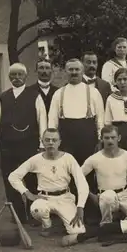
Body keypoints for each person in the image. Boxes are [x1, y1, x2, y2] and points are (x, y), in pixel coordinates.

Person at [0, 63, 47, 224]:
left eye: (20, 74)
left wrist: (43, 144)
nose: (16, 78)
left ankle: (34, 213)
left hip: (29, 146)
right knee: (10, 180)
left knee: (32, 180)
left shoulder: (35, 95)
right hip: (8, 146)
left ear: (26, 77)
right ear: (9, 77)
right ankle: (17, 215)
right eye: (13, 75)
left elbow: (42, 120)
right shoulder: (3, 97)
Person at [48, 58, 105, 222]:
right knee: (68, 175)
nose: (74, 73)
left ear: (82, 71)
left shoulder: (93, 93)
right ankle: (69, 212)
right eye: (70, 70)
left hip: (87, 138)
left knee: (87, 174)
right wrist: (53, 142)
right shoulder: (59, 93)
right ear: (66, 72)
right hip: (66, 139)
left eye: (77, 70)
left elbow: (100, 119)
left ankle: (90, 213)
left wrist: (100, 139)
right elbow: (52, 120)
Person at [8, 128, 88, 238]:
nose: (51, 143)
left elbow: (82, 183)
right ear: (42, 141)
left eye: (54, 140)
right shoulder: (36, 159)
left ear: (59, 142)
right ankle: (47, 225)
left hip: (65, 198)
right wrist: (27, 193)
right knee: (38, 209)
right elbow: (13, 177)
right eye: (47, 140)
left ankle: (63, 223)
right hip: (45, 198)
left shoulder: (68, 158)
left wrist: (80, 207)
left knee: (77, 232)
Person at [81, 125, 127, 225]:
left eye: (113, 137)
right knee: (108, 197)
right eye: (106, 138)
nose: (110, 141)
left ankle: (119, 219)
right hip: (106, 196)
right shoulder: (95, 158)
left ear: (119, 138)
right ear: (101, 139)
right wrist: (91, 195)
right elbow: (78, 176)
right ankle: (106, 224)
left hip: (125, 195)